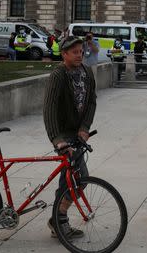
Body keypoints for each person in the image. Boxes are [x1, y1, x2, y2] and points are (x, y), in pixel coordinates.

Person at [43, 36, 96, 238]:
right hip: (64, 133)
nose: (79, 55)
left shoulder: (86, 71)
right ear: (64, 54)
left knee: (74, 178)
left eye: (81, 51)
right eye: (74, 52)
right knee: (78, 177)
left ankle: (58, 219)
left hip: (77, 132)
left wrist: (85, 127)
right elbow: (49, 109)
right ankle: (59, 218)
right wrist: (57, 139)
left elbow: (91, 101)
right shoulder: (58, 75)